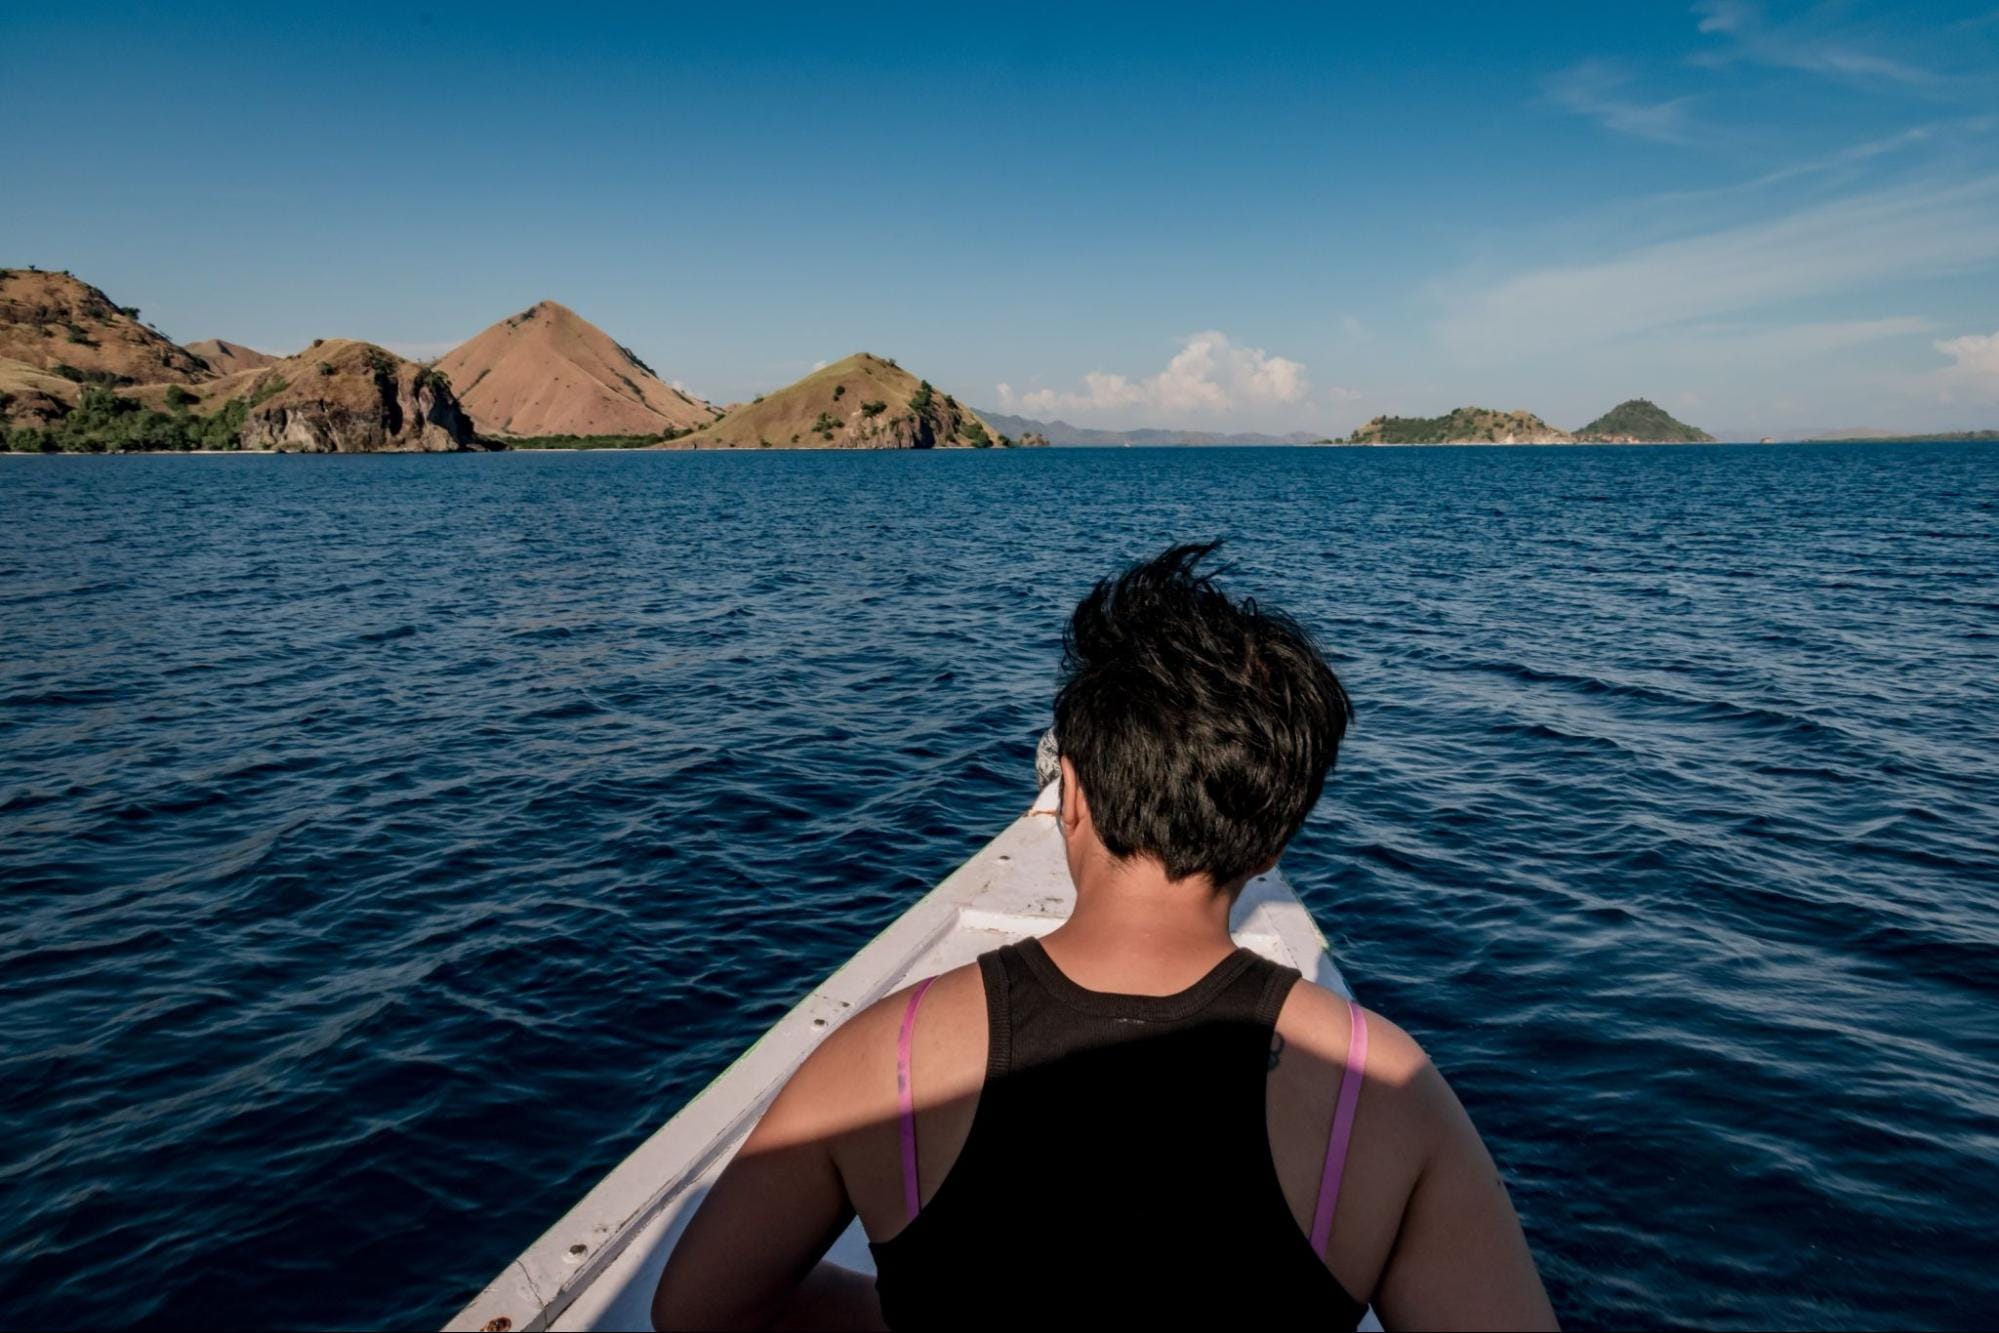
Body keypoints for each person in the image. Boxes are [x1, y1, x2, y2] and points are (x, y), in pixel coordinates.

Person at [654, 542, 1557, 1331]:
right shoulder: (1386, 1091)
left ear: (1070, 793)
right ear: (1276, 838)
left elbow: (699, 1309)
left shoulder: (881, 1057)